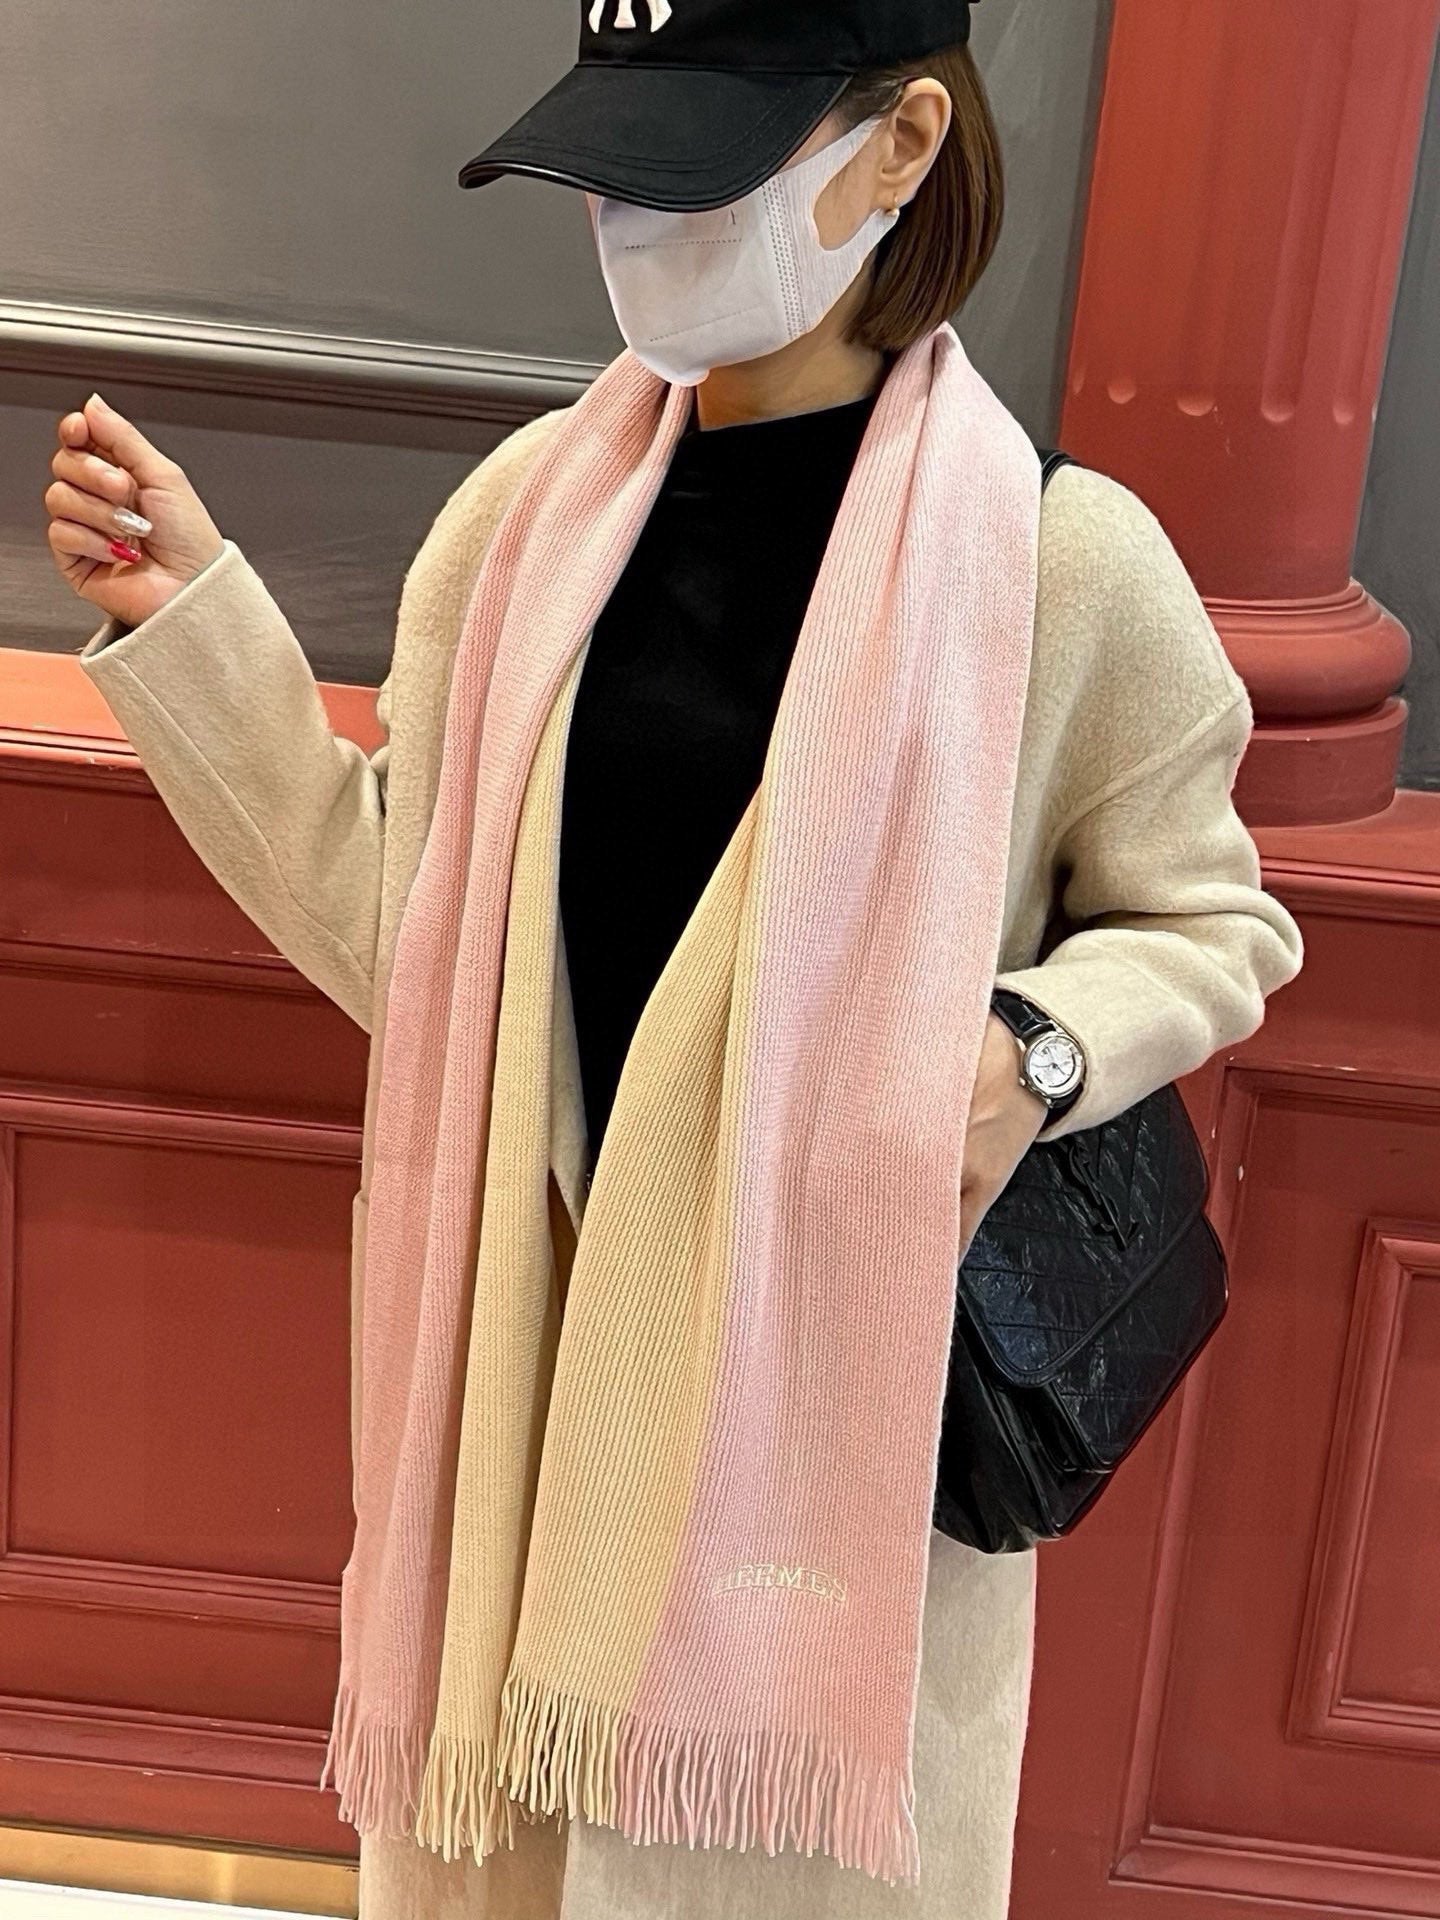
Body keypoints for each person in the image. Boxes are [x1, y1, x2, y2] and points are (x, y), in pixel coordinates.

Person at [46, 2, 1304, 1915]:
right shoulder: (521, 531)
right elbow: (415, 943)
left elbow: (1214, 923)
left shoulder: (1060, 565)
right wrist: (191, 624)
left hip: (818, 1438)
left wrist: (1031, 1053)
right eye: (612, 173)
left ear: (900, 150)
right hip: (530, 1399)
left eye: (697, 172)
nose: (637, 221)